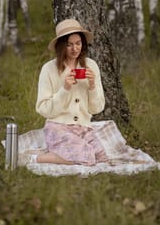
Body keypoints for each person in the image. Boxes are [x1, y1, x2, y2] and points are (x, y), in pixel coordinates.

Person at [36, 19, 108, 166]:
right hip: (58, 127)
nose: (75, 49)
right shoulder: (49, 69)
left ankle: (58, 154)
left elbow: (96, 108)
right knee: (86, 158)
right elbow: (43, 109)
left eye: (78, 43)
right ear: (61, 46)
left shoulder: (91, 66)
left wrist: (92, 86)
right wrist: (65, 89)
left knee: (102, 160)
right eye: (69, 44)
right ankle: (37, 158)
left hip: (84, 128)